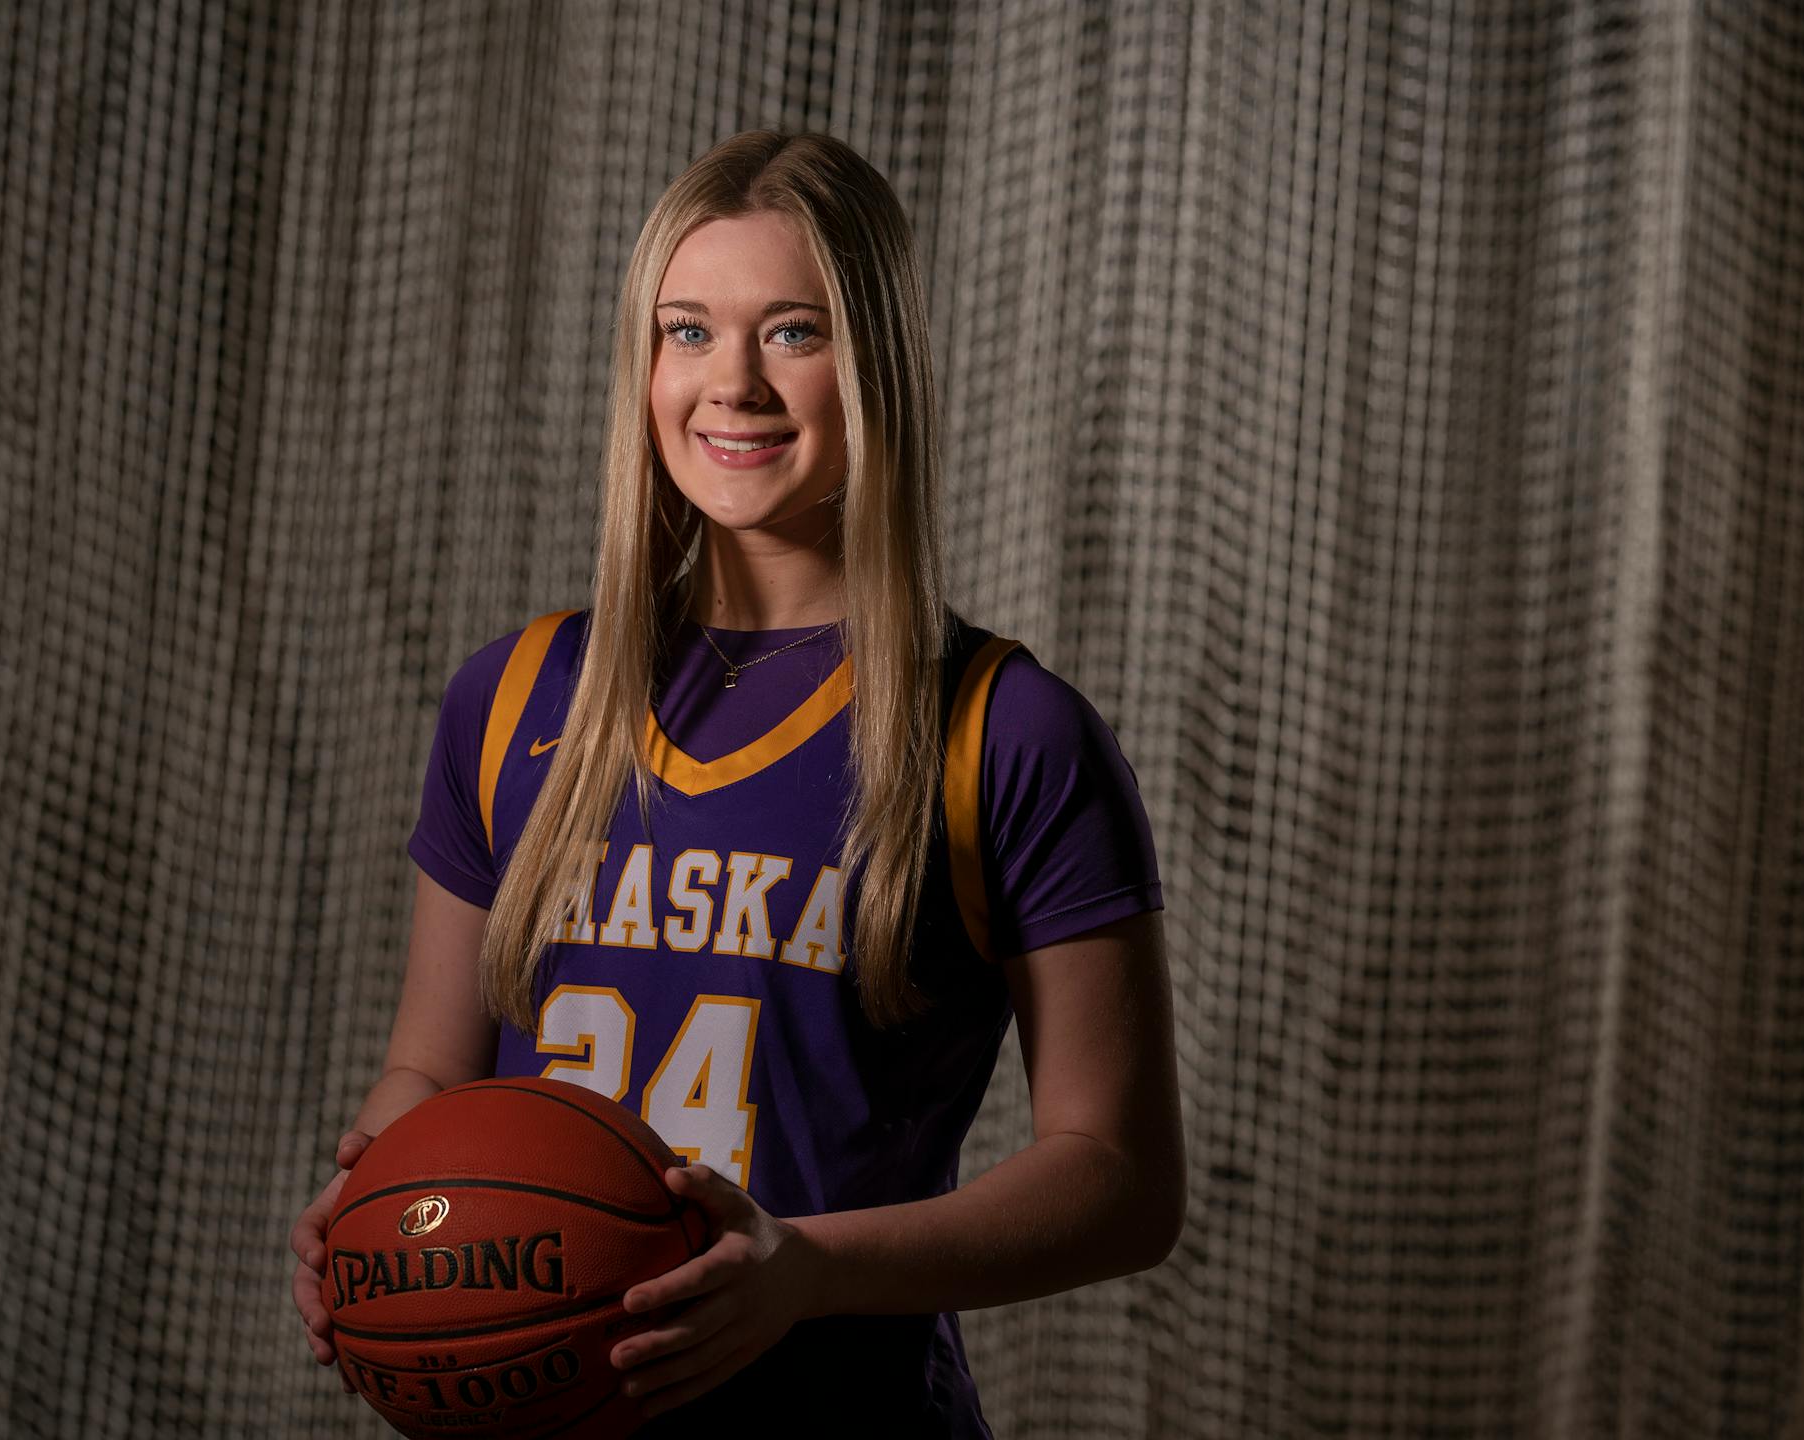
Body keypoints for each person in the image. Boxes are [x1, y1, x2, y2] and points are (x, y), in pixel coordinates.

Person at [288, 129, 1185, 1437]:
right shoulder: (516, 699)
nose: (736, 386)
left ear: (873, 359)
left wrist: (810, 1272)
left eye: (795, 333)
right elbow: (426, 1073)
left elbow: (1118, 1180)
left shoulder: (1003, 731)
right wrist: (373, 1211)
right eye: (689, 330)